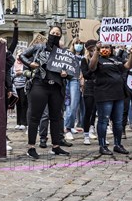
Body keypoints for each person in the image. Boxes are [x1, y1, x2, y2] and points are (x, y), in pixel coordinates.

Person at [19, 25, 71, 159]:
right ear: (49, 34)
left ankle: (56, 146)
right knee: (35, 117)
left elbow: (72, 71)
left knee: (56, 118)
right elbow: (22, 55)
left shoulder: (63, 52)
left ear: (60, 35)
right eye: (53, 32)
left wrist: (66, 74)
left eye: (57, 33)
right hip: (39, 85)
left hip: (56, 87)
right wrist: (30, 64)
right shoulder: (39, 47)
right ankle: (31, 147)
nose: (55, 34)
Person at [87, 42, 132, 155]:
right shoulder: (98, 59)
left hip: (118, 94)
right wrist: (96, 51)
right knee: (103, 121)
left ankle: (118, 144)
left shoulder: (116, 59)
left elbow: (128, 66)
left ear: (111, 48)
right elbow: (92, 66)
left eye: (107, 47)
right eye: (103, 47)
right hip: (104, 95)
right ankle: (102, 145)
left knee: (118, 122)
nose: (105, 49)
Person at [64, 38, 84, 140]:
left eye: (80, 43)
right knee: (72, 105)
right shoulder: (68, 54)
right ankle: (67, 128)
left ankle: (71, 125)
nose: (79, 45)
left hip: (83, 81)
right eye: (76, 43)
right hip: (72, 80)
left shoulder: (84, 56)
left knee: (80, 107)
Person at [80, 40, 98, 145]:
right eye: (91, 50)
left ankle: (94, 129)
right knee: (88, 111)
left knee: (98, 111)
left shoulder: (101, 60)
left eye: (95, 50)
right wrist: (92, 66)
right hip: (89, 87)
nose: (93, 52)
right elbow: (86, 74)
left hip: (100, 87)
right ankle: (86, 134)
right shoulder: (84, 60)